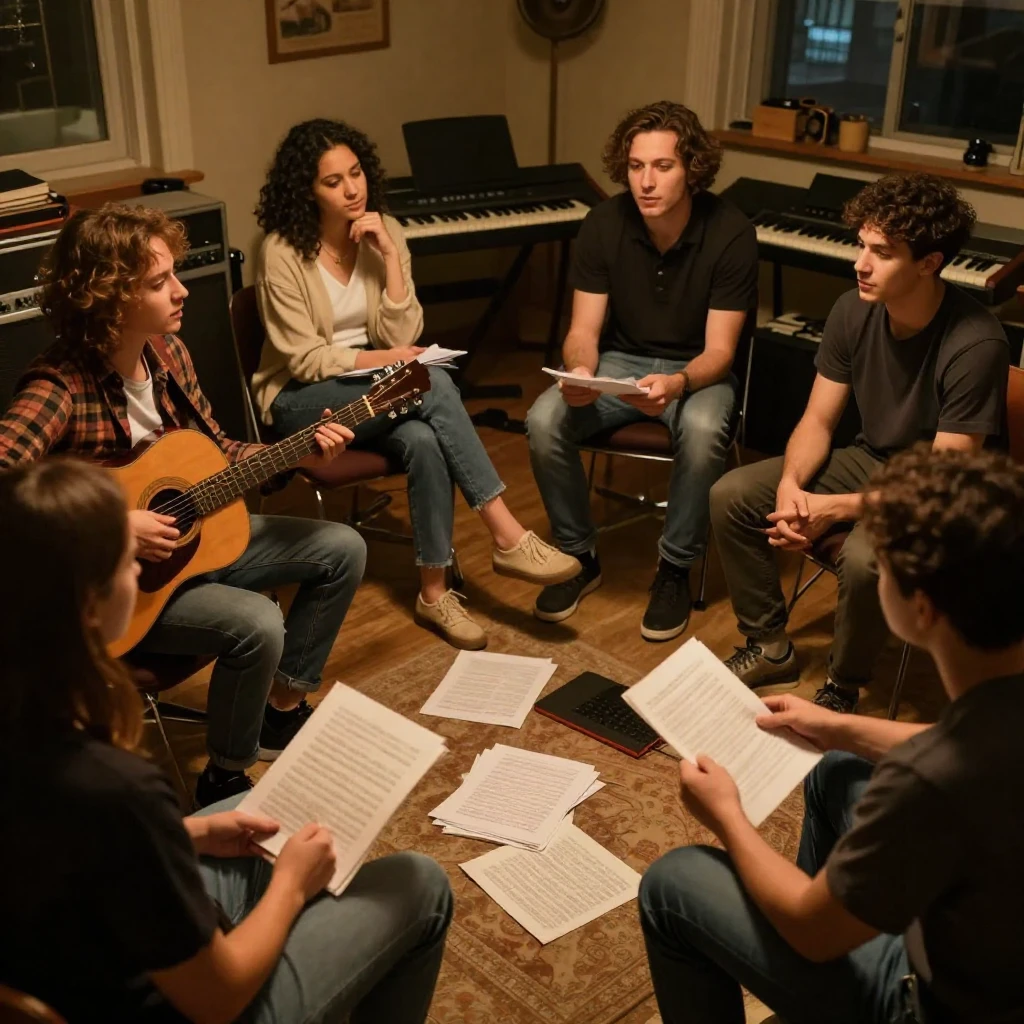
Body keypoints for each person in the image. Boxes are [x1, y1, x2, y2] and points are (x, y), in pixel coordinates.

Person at [0, 457, 452, 1023]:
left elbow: (59, 841)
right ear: (90, 605)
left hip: (61, 951)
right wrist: (292, 885)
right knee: (420, 883)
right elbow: (217, 998)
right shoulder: (118, 788)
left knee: (249, 810)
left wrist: (185, 833)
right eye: (126, 562)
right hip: (178, 1006)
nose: (137, 572)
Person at [640, 445, 1024, 1024]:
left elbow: (812, 930)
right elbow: (978, 745)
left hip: (933, 1004)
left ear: (922, 610)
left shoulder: (926, 783)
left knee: (672, 884)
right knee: (836, 770)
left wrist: (727, 817)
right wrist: (837, 726)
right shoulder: (985, 725)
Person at [0, 203, 366, 807]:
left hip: (196, 545)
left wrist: (295, 453)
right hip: (119, 593)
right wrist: (115, 525)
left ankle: (279, 711)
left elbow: (216, 453)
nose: (181, 290)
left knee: (341, 547)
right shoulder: (57, 387)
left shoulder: (168, 354)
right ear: (110, 298)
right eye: (158, 281)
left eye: (174, 273)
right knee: (258, 621)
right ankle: (225, 774)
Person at [251, 118, 579, 650]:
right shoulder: (282, 251)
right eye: (333, 181)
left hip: (375, 390)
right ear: (307, 191)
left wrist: (389, 258)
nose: (351, 189)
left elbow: (403, 333)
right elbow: (306, 360)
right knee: (429, 381)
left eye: (356, 173)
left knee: (425, 437)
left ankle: (433, 593)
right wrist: (391, 359)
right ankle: (506, 532)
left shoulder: (384, 231)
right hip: (303, 401)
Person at [711, 172, 1009, 713]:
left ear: (929, 263)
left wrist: (830, 509)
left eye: (882, 253)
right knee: (732, 494)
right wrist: (791, 485)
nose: (860, 264)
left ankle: (842, 687)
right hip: (870, 461)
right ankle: (769, 645)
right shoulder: (853, 309)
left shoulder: (976, 342)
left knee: (864, 555)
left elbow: (941, 484)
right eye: (861, 245)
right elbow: (817, 420)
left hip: (941, 493)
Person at [525, 100, 758, 641]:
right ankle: (578, 556)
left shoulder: (730, 232)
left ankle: (674, 568)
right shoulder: (604, 223)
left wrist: (678, 384)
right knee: (543, 419)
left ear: (692, 168)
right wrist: (581, 372)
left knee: (704, 428)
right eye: (635, 166)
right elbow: (583, 330)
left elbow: (721, 352)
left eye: (662, 166)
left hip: (696, 369)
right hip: (621, 363)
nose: (645, 182)